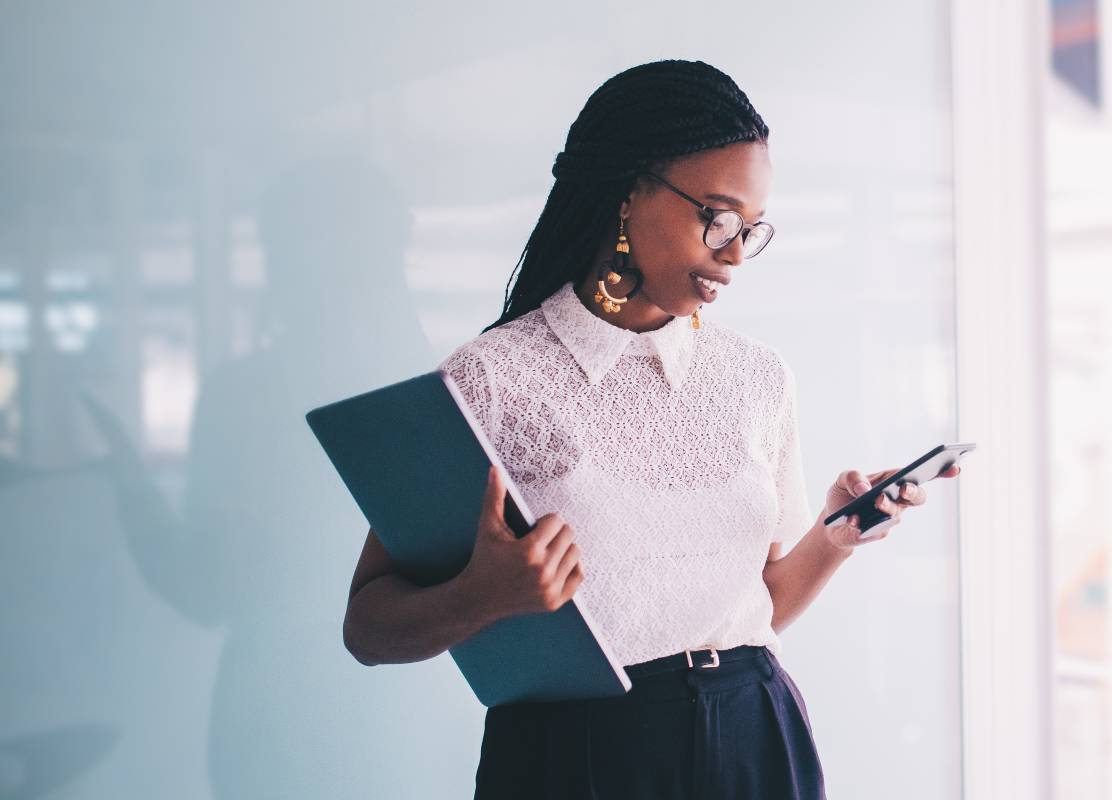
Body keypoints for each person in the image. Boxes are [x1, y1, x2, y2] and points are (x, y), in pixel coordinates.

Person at [339, 59, 957, 799]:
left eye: (751, 231)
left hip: (755, 733)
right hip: (577, 754)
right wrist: (485, 595)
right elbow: (367, 628)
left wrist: (832, 537)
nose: (732, 252)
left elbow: (758, 609)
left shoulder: (757, 378)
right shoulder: (492, 379)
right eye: (716, 218)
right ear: (630, 192)